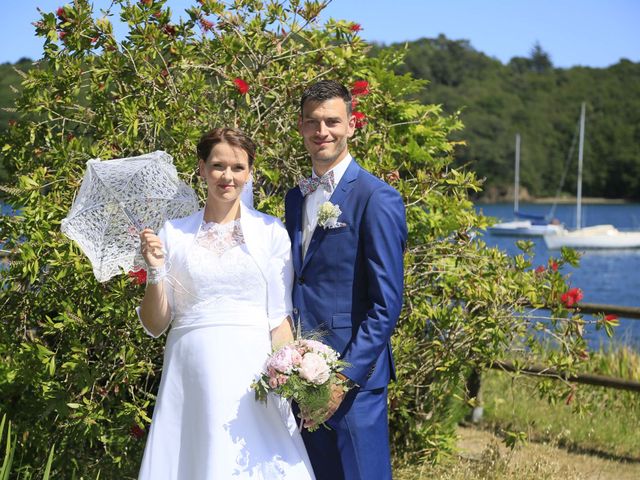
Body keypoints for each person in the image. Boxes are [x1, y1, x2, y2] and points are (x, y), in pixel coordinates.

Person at [136, 128, 315, 479]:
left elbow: (279, 321)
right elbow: (155, 324)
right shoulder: (173, 233)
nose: (227, 176)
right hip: (190, 370)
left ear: (249, 173)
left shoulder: (271, 232)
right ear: (202, 169)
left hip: (251, 372)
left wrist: (291, 378)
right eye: (218, 166)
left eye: (237, 167)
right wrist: (155, 271)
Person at [284, 80, 408, 479]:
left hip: (354, 381)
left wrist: (342, 378)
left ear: (352, 125)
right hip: (299, 376)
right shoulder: (294, 198)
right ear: (301, 127)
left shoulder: (377, 197)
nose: (323, 132)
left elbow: (386, 304)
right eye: (313, 122)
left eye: (333, 121)